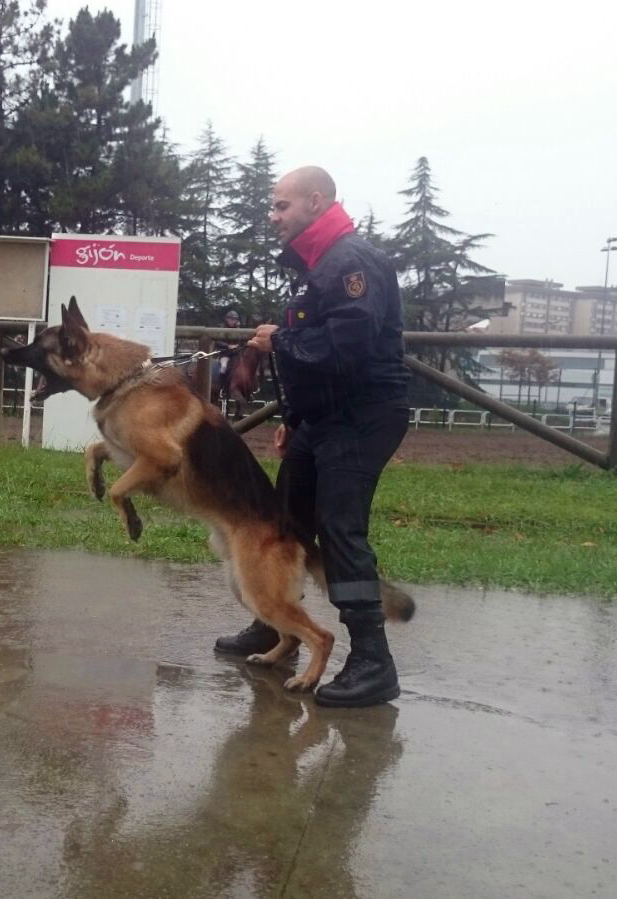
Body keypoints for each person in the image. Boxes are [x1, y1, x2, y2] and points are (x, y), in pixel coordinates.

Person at [214, 166, 410, 708]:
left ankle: (373, 661)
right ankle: (276, 625)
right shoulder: (316, 264)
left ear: (316, 201)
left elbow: (346, 352)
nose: (273, 216)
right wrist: (296, 419)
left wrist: (278, 340)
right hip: (322, 417)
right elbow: (316, 352)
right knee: (284, 520)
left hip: (363, 415)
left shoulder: (350, 262)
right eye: (273, 206)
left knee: (340, 530)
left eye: (282, 205)